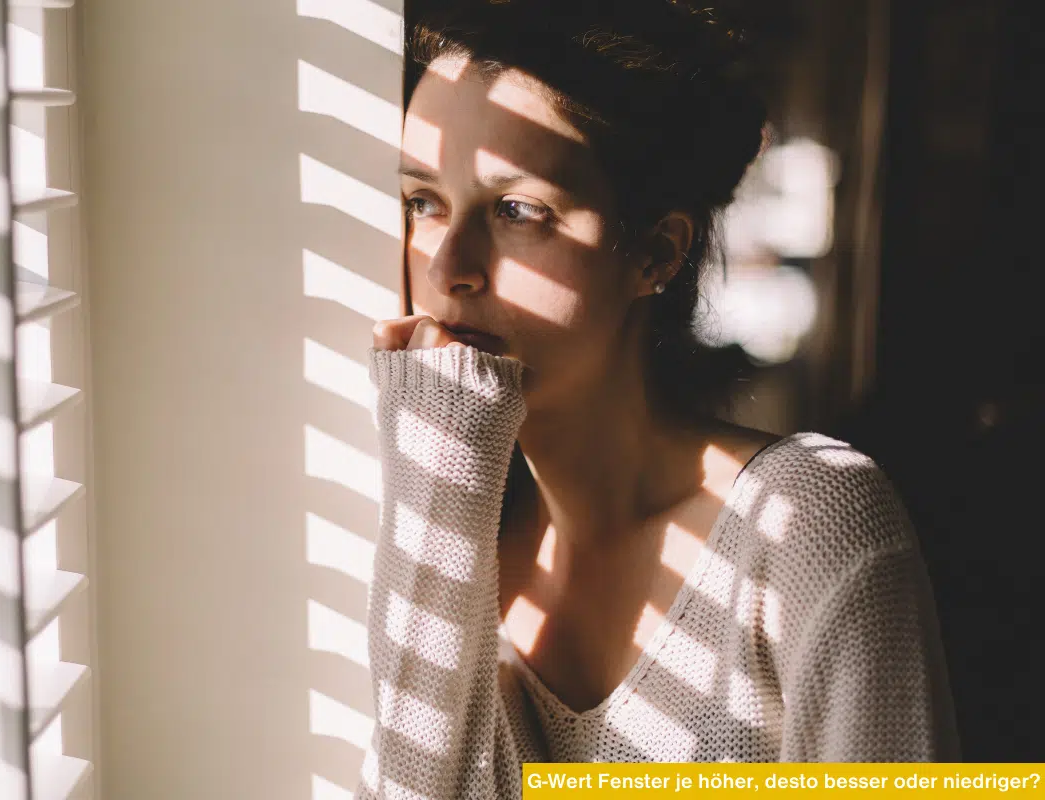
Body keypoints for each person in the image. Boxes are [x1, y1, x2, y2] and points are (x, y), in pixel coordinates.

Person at [356, 1, 959, 797]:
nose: (447, 269)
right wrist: (442, 468)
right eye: (422, 202)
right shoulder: (449, 528)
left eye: (517, 211)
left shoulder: (804, 523)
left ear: (655, 251)